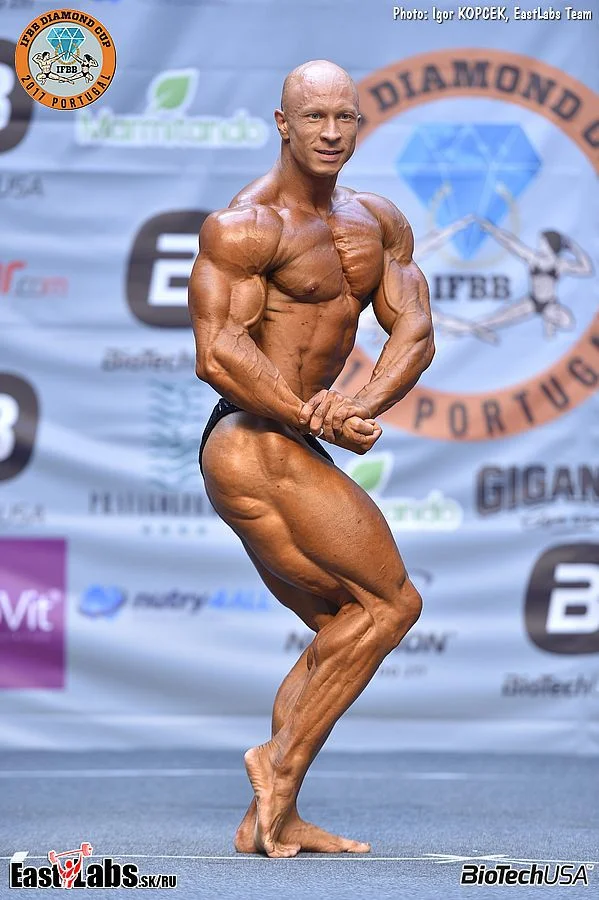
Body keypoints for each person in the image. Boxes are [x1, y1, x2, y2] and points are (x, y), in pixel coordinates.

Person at [188, 59, 434, 858]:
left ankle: (272, 818)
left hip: (292, 437)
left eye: (344, 117)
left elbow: (414, 330)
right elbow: (217, 352)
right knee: (391, 605)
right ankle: (279, 763)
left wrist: (359, 406)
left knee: (343, 624)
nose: (330, 132)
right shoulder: (244, 227)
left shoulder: (378, 222)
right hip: (250, 436)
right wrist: (307, 416)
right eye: (314, 117)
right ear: (282, 123)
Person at [470, 220, 593, 340]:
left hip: (547, 303)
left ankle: (551, 325)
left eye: (542, 243)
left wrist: (573, 246)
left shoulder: (559, 265)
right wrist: (493, 230)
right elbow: (511, 243)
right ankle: (474, 326)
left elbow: (587, 269)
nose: (540, 246)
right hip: (535, 302)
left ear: (550, 246)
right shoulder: (534, 259)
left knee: (568, 322)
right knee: (500, 317)